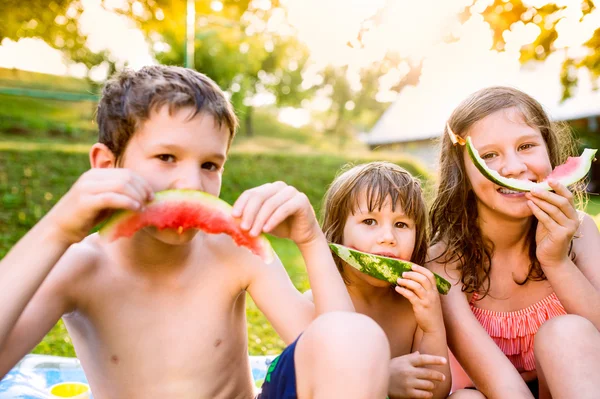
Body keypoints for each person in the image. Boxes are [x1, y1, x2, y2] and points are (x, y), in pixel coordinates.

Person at [0, 65, 392, 399]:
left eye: (210, 165)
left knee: (357, 334)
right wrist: (55, 230)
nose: (191, 183)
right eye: (166, 157)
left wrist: (310, 240)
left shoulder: (235, 248)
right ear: (106, 164)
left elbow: (339, 349)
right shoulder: (80, 266)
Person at [428, 86, 600, 399]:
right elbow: (504, 390)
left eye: (526, 146)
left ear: (548, 150)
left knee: (566, 333)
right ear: (462, 171)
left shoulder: (580, 231)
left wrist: (556, 262)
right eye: (489, 155)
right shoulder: (442, 262)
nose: (513, 168)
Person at [306, 161, 452, 399]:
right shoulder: (318, 304)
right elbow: (311, 386)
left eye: (401, 224)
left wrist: (431, 324)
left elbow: (436, 392)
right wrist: (382, 379)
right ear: (337, 232)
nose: (388, 237)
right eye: (369, 222)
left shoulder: (413, 306)